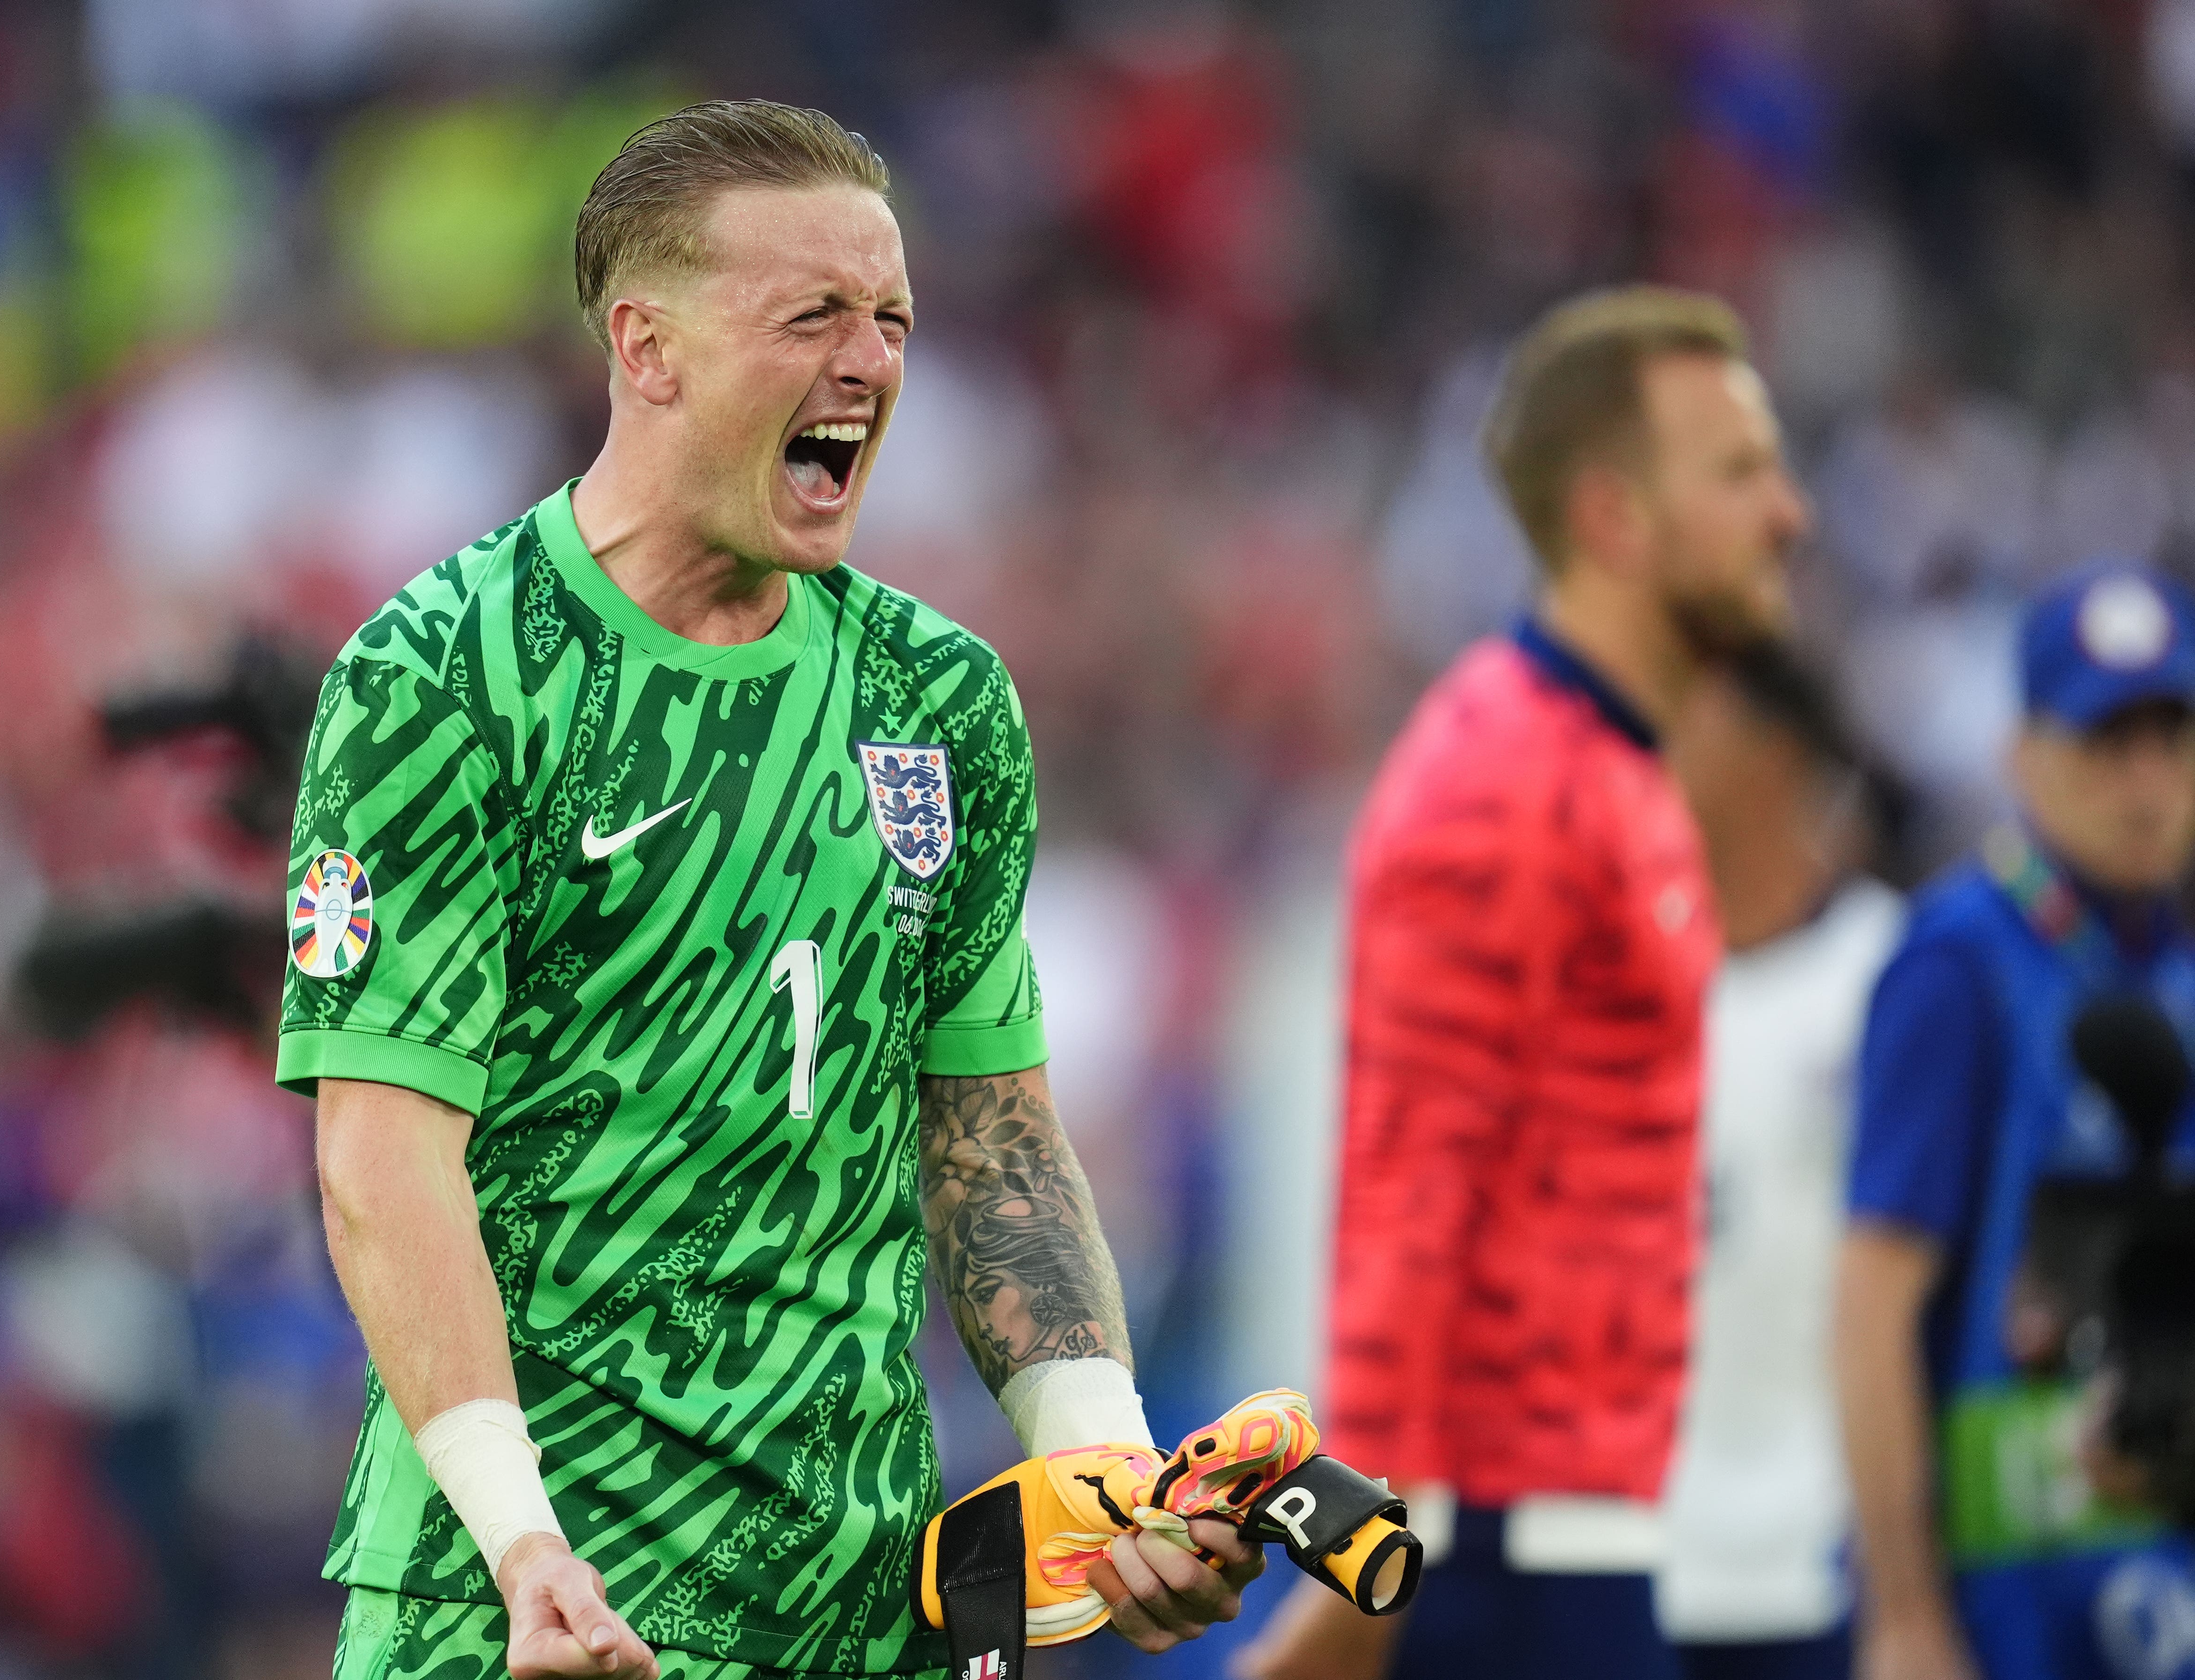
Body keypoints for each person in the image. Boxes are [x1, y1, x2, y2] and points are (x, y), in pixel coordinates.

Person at [279, 102, 1260, 1680]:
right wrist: (524, 1545)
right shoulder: (442, 676)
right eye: (810, 314)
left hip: (859, 1608)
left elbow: (990, 1131)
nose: (868, 363)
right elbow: (380, 1157)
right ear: (645, 348)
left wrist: (1101, 1458)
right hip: (518, 1613)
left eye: (890, 320)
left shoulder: (935, 697)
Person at [1234, 284, 1808, 1680]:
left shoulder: (1610, 765)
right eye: (1736, 473)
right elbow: (1406, 1191)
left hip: (1588, 1528)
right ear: (1613, 518)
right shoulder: (1500, 781)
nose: (1785, 513)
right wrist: (1359, 1560)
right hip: (1501, 1557)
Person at [1839, 561, 2195, 1680]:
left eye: (2172, 739)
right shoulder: (1960, 966)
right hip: (2016, 1592)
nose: (2147, 783)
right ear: (2023, 757)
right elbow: (1873, 1304)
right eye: (2107, 744)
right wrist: (1904, 1616)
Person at [1658, 647, 1904, 1680]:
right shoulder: (1600, 998)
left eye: (1683, 707)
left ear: (1774, 748)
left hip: (1829, 1567)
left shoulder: (1890, 974)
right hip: (1650, 1566)